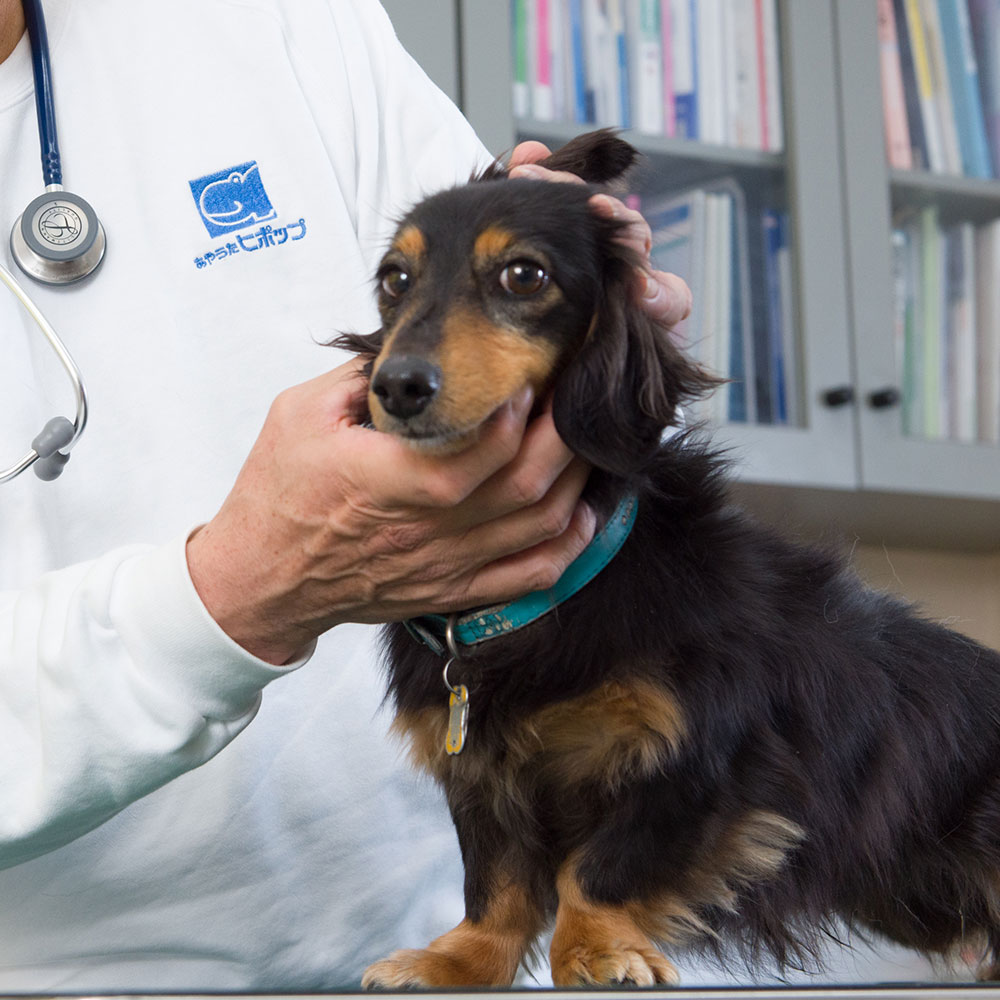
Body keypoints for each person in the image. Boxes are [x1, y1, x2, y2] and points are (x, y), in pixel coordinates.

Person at [0, 0, 692, 990]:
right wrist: (237, 591)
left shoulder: (283, 20)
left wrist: (591, 303)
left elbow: (548, 396)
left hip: (441, 952)